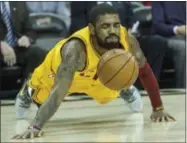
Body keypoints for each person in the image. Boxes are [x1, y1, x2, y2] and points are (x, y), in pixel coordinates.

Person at [13, 4, 175, 139]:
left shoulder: (127, 40)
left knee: (111, 90)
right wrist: (36, 126)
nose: (112, 31)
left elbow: (145, 71)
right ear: (91, 29)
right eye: (105, 26)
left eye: (116, 25)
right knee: (40, 93)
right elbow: (58, 93)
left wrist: (158, 108)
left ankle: (123, 85)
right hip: (57, 75)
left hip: (97, 76)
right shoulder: (75, 50)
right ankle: (28, 91)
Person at [0, 1, 47, 79]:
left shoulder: (19, 2)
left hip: (17, 47)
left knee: (38, 53)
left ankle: (28, 87)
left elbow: (30, 30)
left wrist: (27, 38)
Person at [152, 2, 186, 88]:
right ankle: (183, 89)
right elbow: (158, 26)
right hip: (169, 37)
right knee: (182, 46)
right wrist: (177, 30)